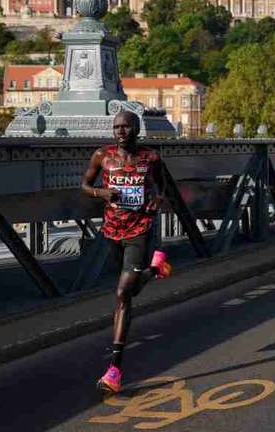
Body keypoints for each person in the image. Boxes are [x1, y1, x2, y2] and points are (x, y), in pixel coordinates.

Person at [81, 112, 173, 394]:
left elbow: (165, 183)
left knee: (122, 294)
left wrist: (158, 197)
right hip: (112, 232)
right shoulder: (102, 156)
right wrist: (101, 194)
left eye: (126, 127)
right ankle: (156, 270)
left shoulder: (151, 158)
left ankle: (114, 369)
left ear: (136, 129)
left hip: (139, 230)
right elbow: (85, 185)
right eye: (116, 127)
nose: (120, 131)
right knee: (129, 292)